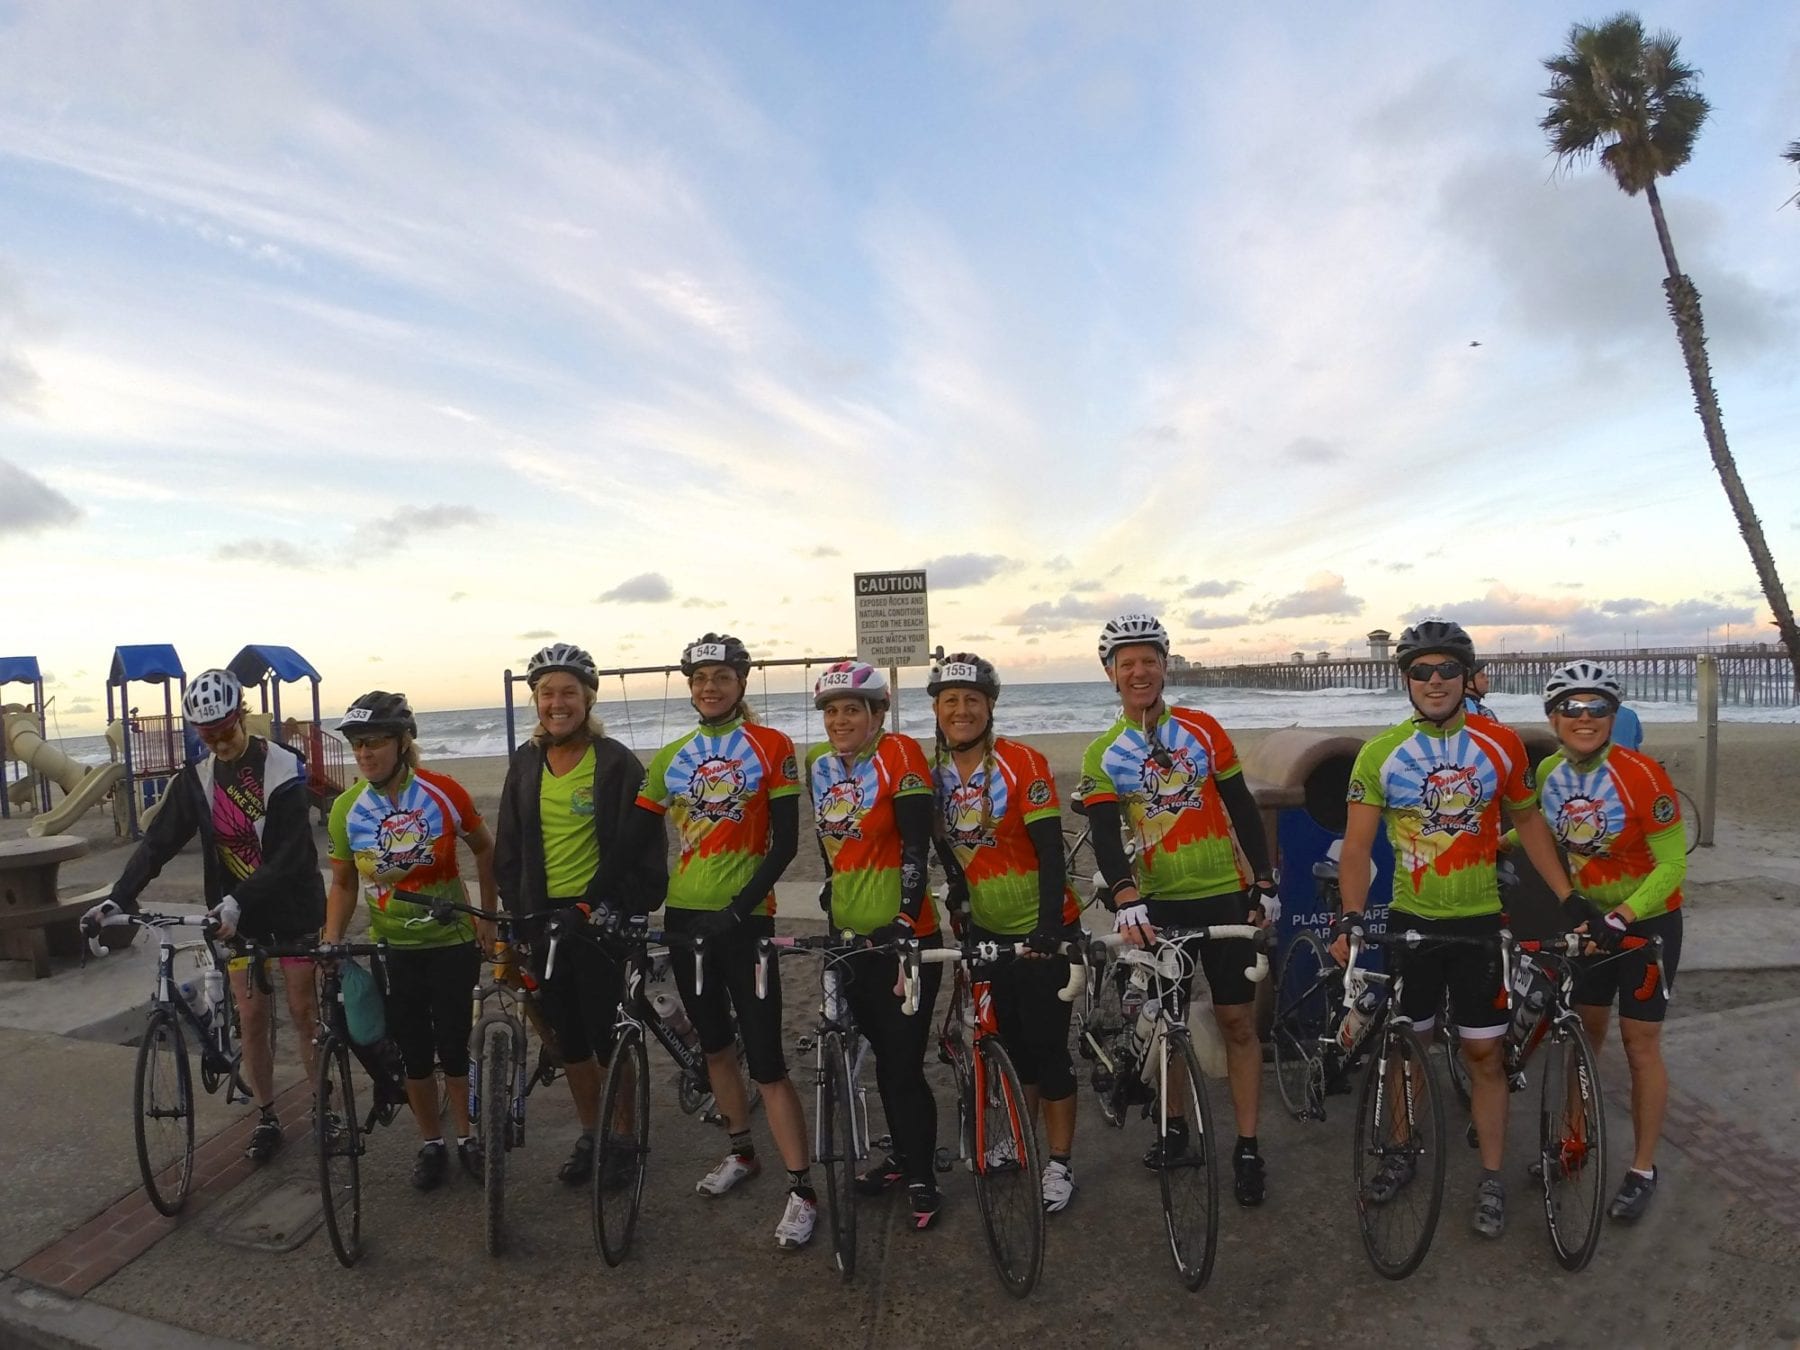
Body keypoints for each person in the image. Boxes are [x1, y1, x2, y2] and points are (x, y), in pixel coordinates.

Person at [1331, 619, 1578, 1239]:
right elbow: (1356, 850)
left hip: (1479, 925)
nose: (1435, 680)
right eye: (1421, 670)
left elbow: (1531, 824)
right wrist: (1353, 918)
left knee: (1483, 1054)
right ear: (1406, 680)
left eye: (1447, 669)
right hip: (1413, 924)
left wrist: (1568, 898)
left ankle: (1490, 1178)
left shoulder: (1501, 747)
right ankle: (1399, 1149)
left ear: (1467, 677)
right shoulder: (1380, 753)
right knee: (1404, 1050)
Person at [616, 634, 816, 1250]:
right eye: (701, 678)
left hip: (744, 922)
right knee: (717, 1047)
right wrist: (594, 902)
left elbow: (784, 844)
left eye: (722, 677)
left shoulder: (773, 746)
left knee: (768, 1060)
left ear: (741, 681)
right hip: (685, 918)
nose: (710, 687)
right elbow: (632, 842)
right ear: (690, 685)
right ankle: (740, 1151)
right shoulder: (671, 755)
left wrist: (736, 910)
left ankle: (802, 1189)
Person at [1077, 613, 1279, 1207]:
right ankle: (1175, 1129)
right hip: (1159, 902)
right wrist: (1125, 897)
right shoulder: (1102, 753)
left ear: (1165, 665)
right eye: (1126, 662)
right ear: (1111, 673)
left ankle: (1247, 1145)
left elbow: (1241, 807)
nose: (1139, 671)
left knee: (1238, 1023)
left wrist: (1263, 881)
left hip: (1224, 894)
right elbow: (1108, 837)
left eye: (1149, 660)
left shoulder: (1205, 729)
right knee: (1169, 1026)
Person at [85, 668, 325, 1162]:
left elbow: (290, 856)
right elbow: (158, 843)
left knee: (304, 1012)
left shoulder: (282, 768)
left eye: (226, 732)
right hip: (237, 918)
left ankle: (327, 1110)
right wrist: (119, 897)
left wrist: (240, 899)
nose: (219, 743)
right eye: (207, 736)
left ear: (242, 718)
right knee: (253, 1019)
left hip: (293, 907)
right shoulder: (197, 780)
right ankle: (267, 1116)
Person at [492, 642, 667, 1186]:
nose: (558, 702)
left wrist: (620, 906)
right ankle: (592, 1133)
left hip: (600, 920)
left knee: (608, 1034)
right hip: (544, 921)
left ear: (588, 699)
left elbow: (643, 847)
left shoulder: (616, 762)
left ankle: (623, 1137)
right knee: (567, 1039)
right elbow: (509, 848)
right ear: (536, 701)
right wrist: (517, 914)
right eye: (547, 693)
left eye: (569, 692)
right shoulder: (525, 762)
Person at [927, 652, 1083, 1213]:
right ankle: (1019, 1142)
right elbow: (945, 845)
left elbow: (1049, 851)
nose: (961, 710)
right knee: (1012, 1048)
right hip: (987, 930)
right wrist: (960, 894)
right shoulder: (934, 776)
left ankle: (1060, 1162)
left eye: (972, 699)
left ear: (990, 706)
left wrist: (1047, 928)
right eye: (950, 701)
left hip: (1044, 928)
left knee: (1049, 1050)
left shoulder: (1024, 762)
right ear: (938, 711)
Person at [322, 691, 497, 1190]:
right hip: (393, 947)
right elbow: (343, 883)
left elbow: (485, 849)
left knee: (453, 1045)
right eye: (357, 745)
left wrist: (489, 917)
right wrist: (331, 939)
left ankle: (465, 1137)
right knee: (415, 1053)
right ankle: (431, 1142)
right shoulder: (346, 809)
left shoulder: (443, 792)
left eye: (374, 742)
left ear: (402, 743)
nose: (364, 754)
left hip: (451, 941)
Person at [1535, 660, 1685, 1220]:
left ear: (1613, 715)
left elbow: (1672, 866)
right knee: (1583, 1034)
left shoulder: (1642, 776)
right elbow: (1538, 831)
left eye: (1598, 706)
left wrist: (1623, 915)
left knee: (1639, 1044)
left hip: (1647, 925)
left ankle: (1643, 1168)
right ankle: (1574, 1140)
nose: (1584, 716)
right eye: (1571, 707)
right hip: (1591, 924)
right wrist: (1486, 846)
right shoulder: (1549, 774)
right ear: (1552, 717)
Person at [806, 660, 945, 1229]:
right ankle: (899, 1156)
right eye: (832, 711)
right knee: (867, 1058)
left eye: (852, 710)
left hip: (903, 940)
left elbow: (917, 845)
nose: (840, 720)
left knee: (902, 1062)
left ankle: (920, 1172)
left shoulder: (901, 754)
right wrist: (831, 897)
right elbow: (829, 848)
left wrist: (906, 917)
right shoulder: (818, 768)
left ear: (877, 713)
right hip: (847, 940)